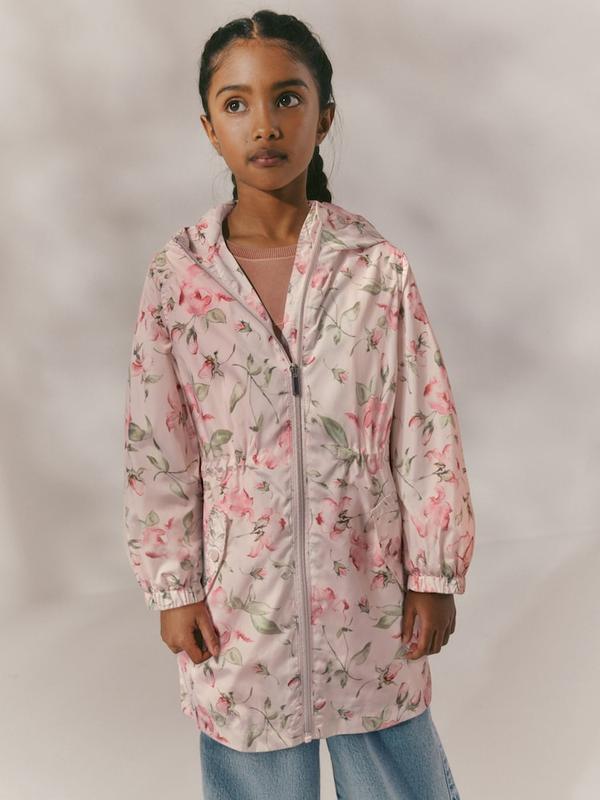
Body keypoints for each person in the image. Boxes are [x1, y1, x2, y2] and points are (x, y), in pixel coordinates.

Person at [122, 9, 474, 799]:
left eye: (288, 98)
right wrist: (175, 587)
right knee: (256, 765)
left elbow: (425, 428)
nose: (265, 123)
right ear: (209, 128)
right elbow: (158, 445)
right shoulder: (179, 277)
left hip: (369, 596)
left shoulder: (375, 267)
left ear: (325, 116)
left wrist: (433, 572)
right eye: (237, 103)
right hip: (240, 603)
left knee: (396, 772)